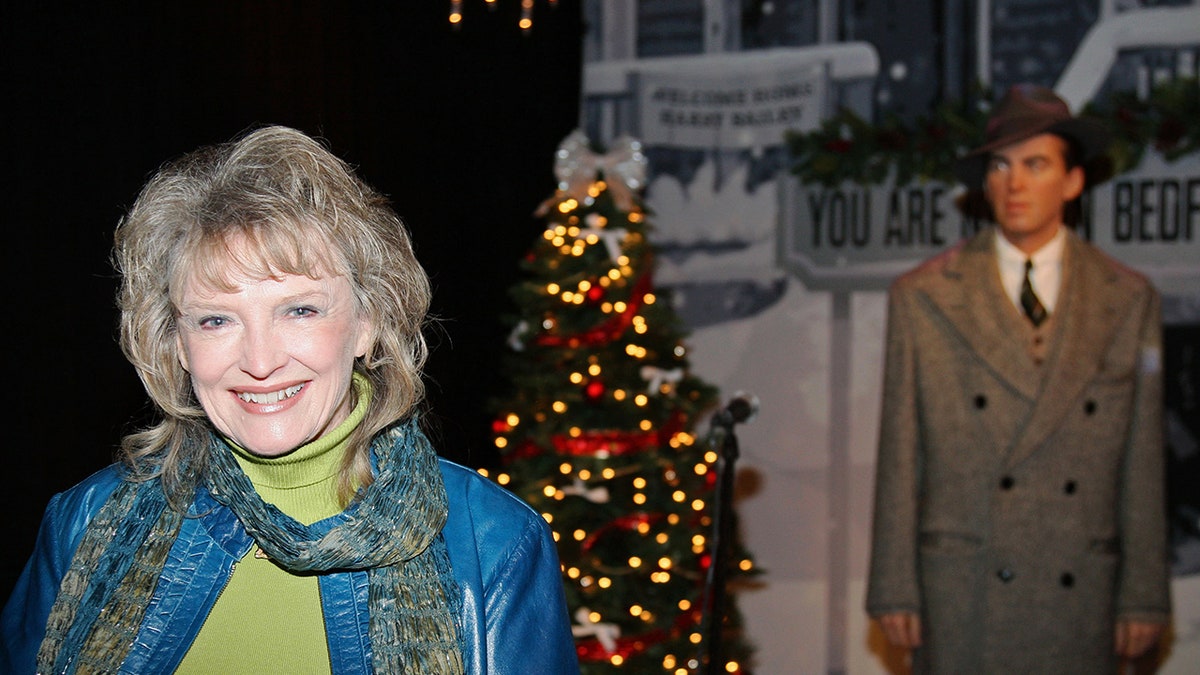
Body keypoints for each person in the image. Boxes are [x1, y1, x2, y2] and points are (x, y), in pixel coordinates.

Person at [0, 125, 580, 674]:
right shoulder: (82, 525)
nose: (258, 360)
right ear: (176, 343)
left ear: (366, 324)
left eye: (299, 310)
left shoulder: (495, 544)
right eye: (215, 320)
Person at [866, 85, 1171, 673]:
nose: (1015, 184)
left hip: (1079, 588)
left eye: (1036, 165)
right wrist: (893, 585)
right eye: (1000, 166)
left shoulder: (1127, 299)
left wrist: (1144, 593)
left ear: (1073, 182)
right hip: (965, 586)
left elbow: (1142, 460)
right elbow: (900, 451)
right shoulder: (925, 296)